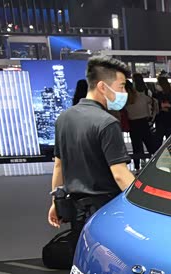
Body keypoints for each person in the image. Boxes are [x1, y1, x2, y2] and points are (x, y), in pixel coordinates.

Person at [47, 56, 136, 245]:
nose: (124, 93)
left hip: (76, 211)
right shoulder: (107, 123)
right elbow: (120, 174)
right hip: (105, 210)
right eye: (121, 87)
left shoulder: (63, 118)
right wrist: (143, 203)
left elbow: (58, 166)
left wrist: (56, 201)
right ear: (103, 86)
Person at [125, 77, 158, 171]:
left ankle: (137, 168)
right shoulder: (140, 96)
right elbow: (153, 101)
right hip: (143, 123)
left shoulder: (124, 99)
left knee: (136, 147)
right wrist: (152, 115)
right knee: (150, 146)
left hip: (132, 124)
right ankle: (155, 164)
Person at [154, 75, 171, 141]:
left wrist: (164, 107)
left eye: (158, 83)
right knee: (158, 140)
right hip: (160, 122)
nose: (156, 85)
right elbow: (155, 107)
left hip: (170, 122)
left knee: (169, 140)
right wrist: (164, 106)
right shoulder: (156, 95)